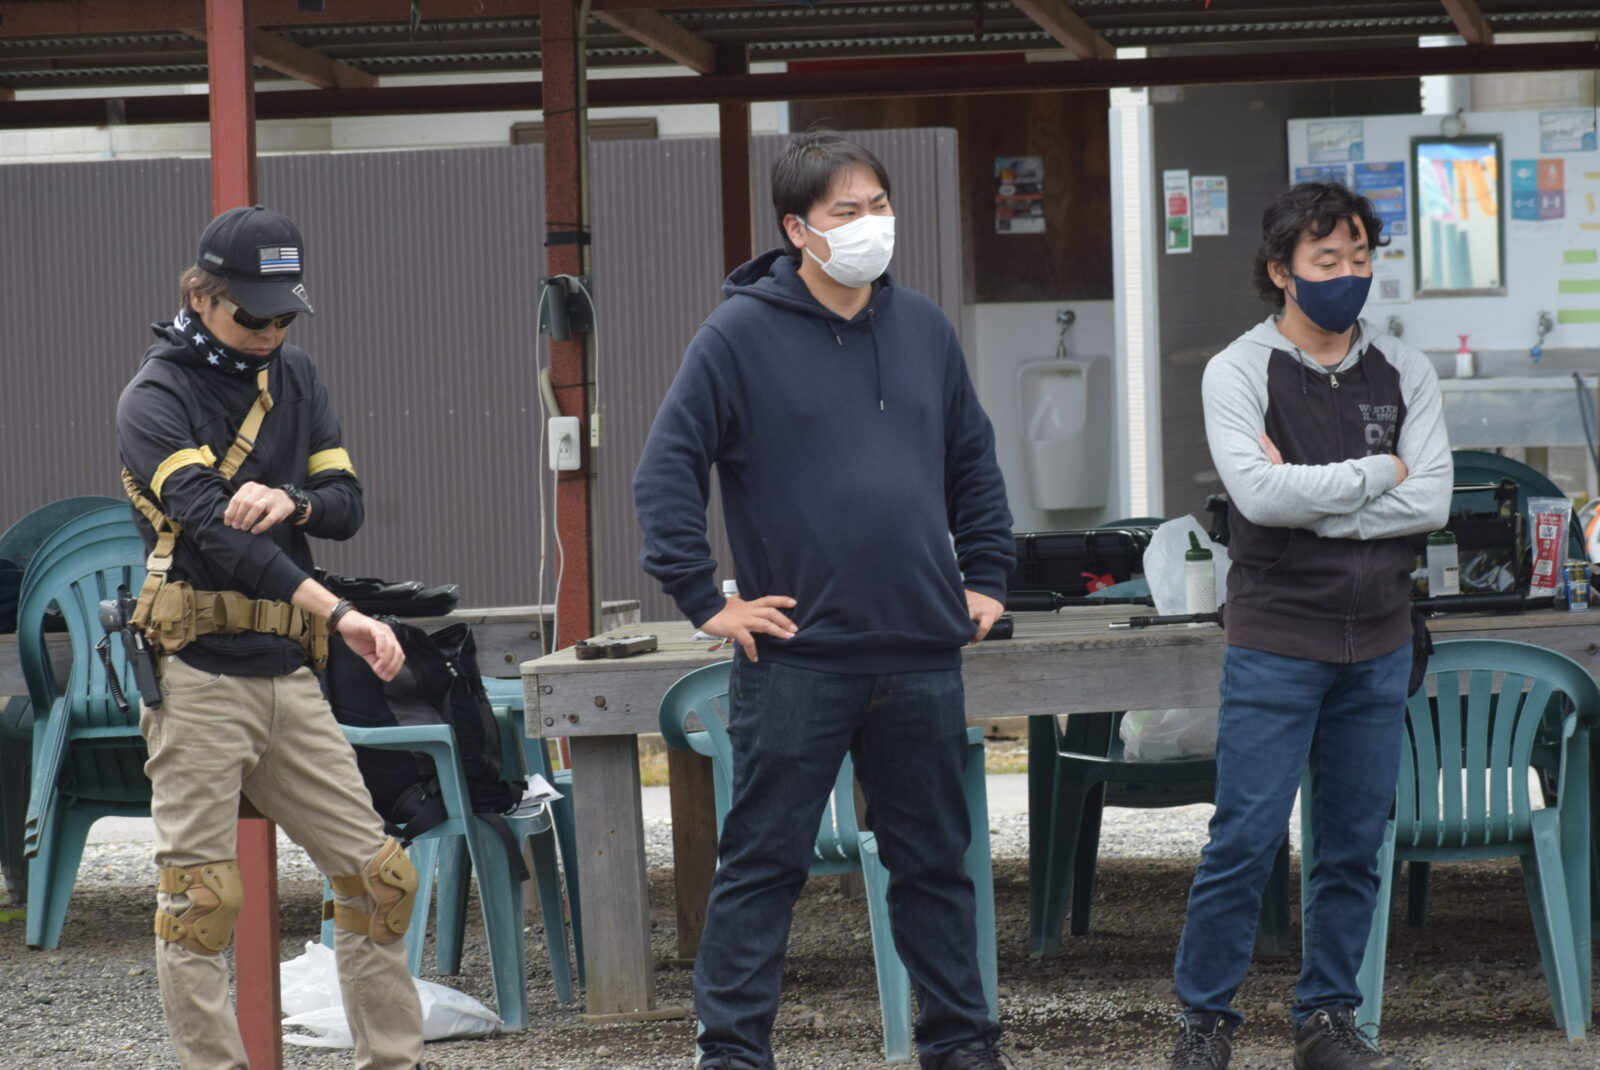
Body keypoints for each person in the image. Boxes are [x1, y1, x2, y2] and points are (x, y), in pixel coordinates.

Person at [633, 131, 1016, 1070]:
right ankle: (732, 1054)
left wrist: (987, 577)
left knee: (936, 868)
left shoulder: (923, 327)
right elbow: (666, 469)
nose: (871, 224)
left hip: (921, 652)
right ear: (797, 229)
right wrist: (704, 599)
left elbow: (972, 459)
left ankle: (963, 1047)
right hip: (797, 658)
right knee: (763, 866)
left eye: (879, 205)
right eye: (847, 211)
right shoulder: (737, 334)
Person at [116, 205, 427, 1070]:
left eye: (283, 315)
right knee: (201, 902)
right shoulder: (154, 398)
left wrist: (295, 501)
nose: (269, 333)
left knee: (379, 880)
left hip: (288, 672)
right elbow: (219, 536)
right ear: (200, 296)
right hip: (197, 678)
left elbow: (346, 505)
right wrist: (341, 612)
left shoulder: (298, 376)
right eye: (251, 315)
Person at [1167, 182, 1451, 1070]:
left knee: (1353, 845)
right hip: (1277, 640)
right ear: (1280, 270)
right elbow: (1257, 498)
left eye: (1360, 256)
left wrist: (1313, 499)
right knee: (1245, 839)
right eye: (1327, 259)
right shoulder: (1237, 370)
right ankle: (1204, 1022)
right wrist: (1380, 473)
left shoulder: (1405, 369)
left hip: (1381, 640)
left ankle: (1326, 1018)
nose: (1348, 273)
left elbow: (1433, 500)